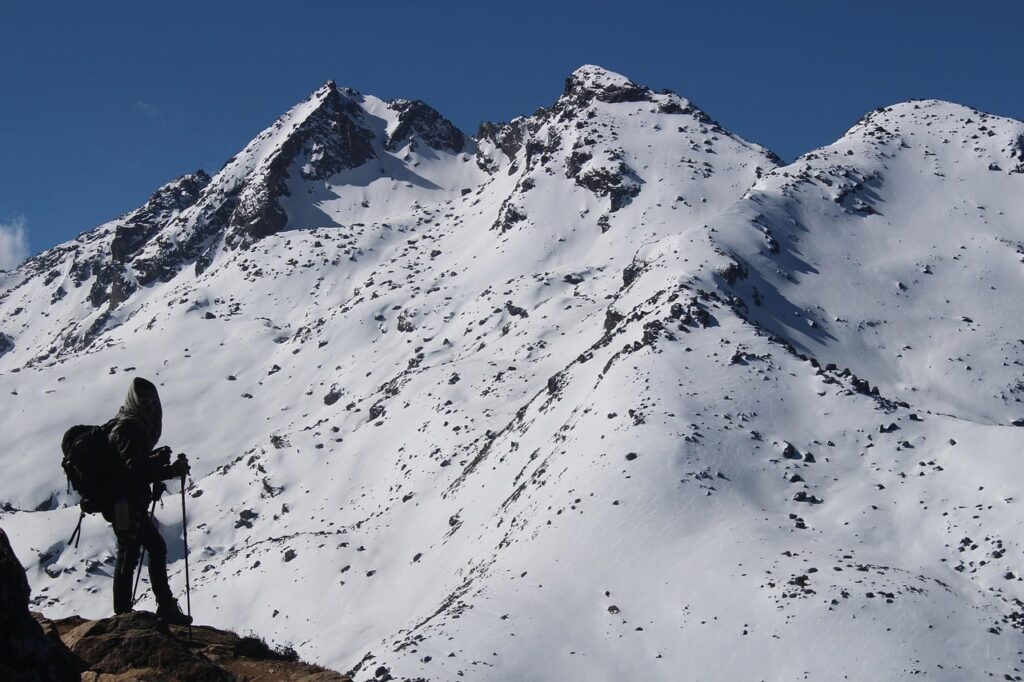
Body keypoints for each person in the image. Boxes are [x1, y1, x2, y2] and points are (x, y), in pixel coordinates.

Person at [102, 377, 192, 625]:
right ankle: (145, 609)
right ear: (135, 401)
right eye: (146, 402)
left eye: (154, 402)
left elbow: (132, 464)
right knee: (136, 551)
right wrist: (169, 470)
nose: (151, 406)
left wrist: (155, 458)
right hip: (123, 502)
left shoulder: (129, 425)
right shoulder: (129, 428)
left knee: (136, 550)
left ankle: (130, 611)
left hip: (124, 500)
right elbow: (136, 469)